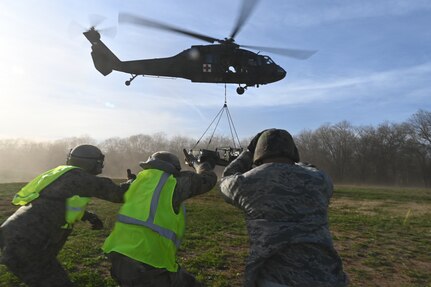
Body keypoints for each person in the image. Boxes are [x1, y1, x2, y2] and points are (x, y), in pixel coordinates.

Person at [220, 129, 348, 287]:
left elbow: (226, 179)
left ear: (258, 155)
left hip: (275, 279)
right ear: (294, 153)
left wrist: (247, 153)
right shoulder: (320, 181)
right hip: (329, 277)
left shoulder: (247, 183)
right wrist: (297, 164)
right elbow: (314, 170)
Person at [0, 144, 132, 287]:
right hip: (28, 245)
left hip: (14, 234)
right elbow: (119, 195)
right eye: (99, 162)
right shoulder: (80, 178)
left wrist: (87, 216)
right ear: (90, 162)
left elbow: (56, 203)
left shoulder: (62, 174)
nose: (101, 165)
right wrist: (133, 182)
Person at [102, 150, 217, 287]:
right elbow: (207, 179)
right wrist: (200, 163)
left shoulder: (138, 183)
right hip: (150, 267)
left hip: (119, 260)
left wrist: (131, 181)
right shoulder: (173, 183)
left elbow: (117, 194)